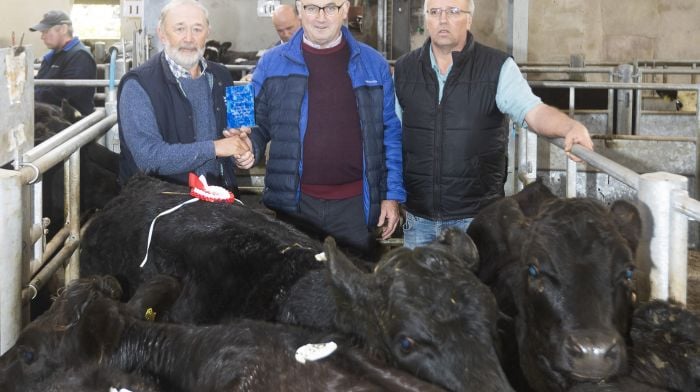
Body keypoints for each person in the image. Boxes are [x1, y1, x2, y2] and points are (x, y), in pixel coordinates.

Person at [394, 0, 595, 249]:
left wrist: (568, 127)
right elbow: (393, 137)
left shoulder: (496, 68)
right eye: (435, 12)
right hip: (418, 217)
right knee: (417, 288)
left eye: (454, 11)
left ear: (469, 19)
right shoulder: (404, 69)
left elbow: (533, 111)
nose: (443, 19)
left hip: (475, 219)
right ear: (426, 18)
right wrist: (391, 196)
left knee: (475, 287)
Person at [232, 0, 405, 257]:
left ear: (345, 9)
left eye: (331, 7)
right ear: (300, 10)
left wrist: (392, 196)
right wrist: (247, 147)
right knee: (297, 288)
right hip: (295, 206)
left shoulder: (373, 64)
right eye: (312, 7)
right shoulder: (271, 63)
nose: (321, 17)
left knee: (351, 288)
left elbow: (389, 133)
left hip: (355, 207)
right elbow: (254, 124)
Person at [117, 0, 251, 192]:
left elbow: (243, 129)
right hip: (163, 204)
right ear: (161, 33)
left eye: (197, 29)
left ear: (208, 33)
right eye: (179, 29)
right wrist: (216, 148)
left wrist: (246, 151)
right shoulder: (136, 84)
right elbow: (147, 158)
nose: (189, 38)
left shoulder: (224, 75)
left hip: (221, 196)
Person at [30, 10, 96, 116]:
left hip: (72, 123)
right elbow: (39, 85)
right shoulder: (50, 57)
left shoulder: (80, 56)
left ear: (63, 29)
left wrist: (29, 97)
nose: (42, 37)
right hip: (49, 115)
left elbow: (65, 95)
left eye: (46, 31)